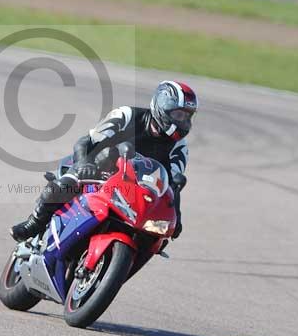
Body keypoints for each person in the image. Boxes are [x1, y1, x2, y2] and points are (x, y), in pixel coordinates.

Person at [10, 80, 198, 242]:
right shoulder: (127, 115)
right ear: (162, 107)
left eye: (187, 117)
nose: (183, 122)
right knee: (66, 184)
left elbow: (172, 186)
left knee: (155, 233)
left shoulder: (178, 146)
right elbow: (85, 142)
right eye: (178, 115)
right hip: (96, 170)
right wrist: (83, 164)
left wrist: (176, 216)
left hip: (133, 188)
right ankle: (33, 224)